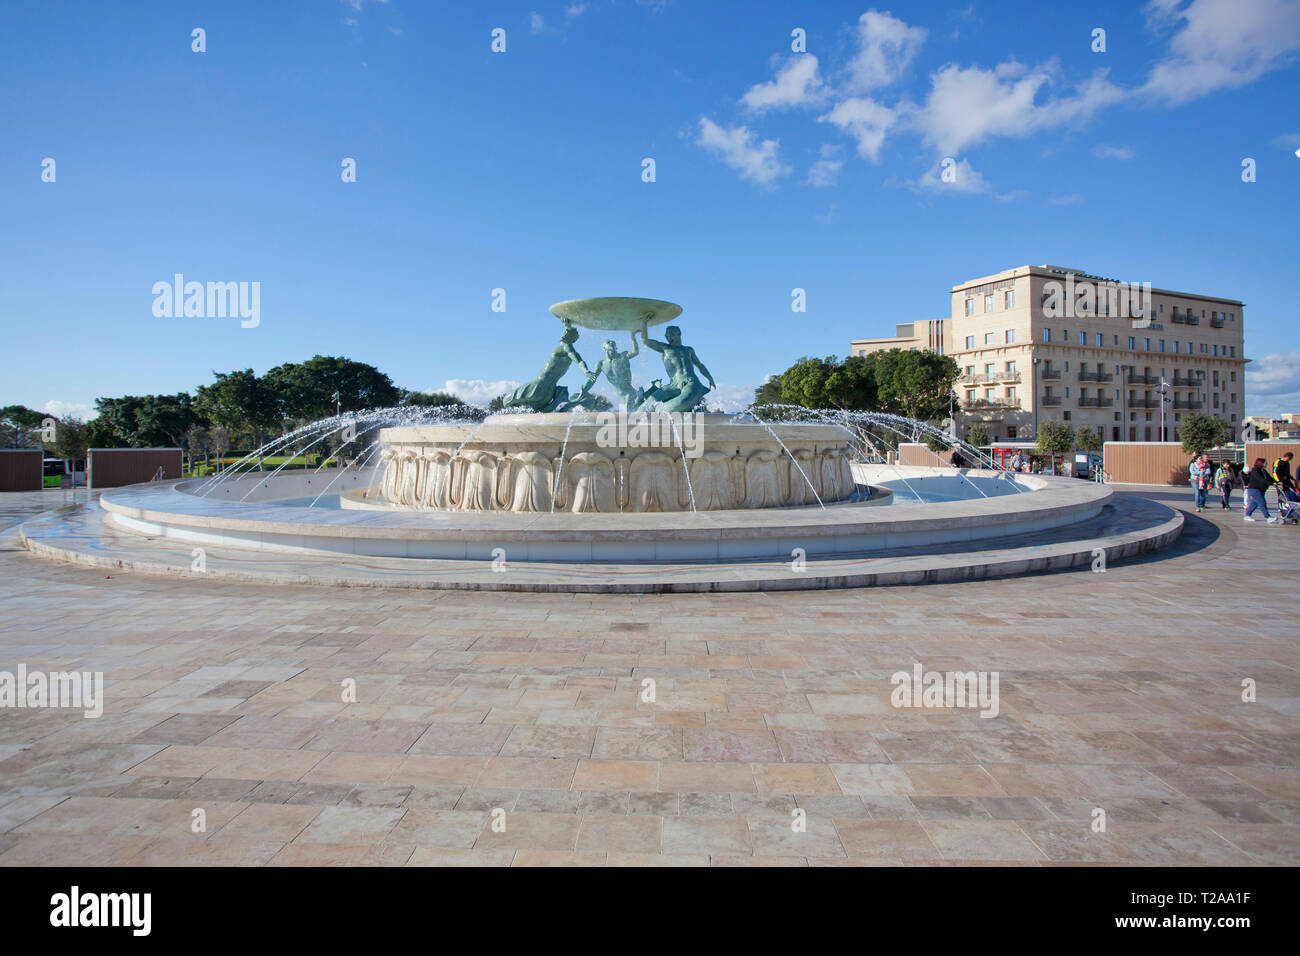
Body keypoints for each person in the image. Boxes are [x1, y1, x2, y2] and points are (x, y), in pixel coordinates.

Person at [1243, 458, 1279, 523]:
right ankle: (1268, 517)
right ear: (1260, 463)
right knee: (1262, 503)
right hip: (1254, 489)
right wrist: (1271, 484)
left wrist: (1276, 482)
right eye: (1265, 463)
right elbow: (1260, 479)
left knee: (1254, 503)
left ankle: (1247, 515)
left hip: (1261, 490)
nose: (1266, 464)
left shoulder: (1263, 471)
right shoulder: (1255, 470)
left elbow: (1269, 478)